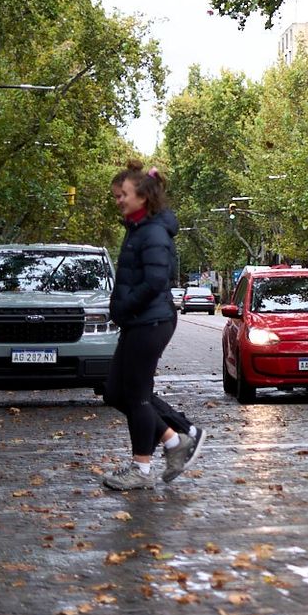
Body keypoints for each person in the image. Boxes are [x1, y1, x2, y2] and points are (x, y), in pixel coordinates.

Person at [103, 161, 206, 490]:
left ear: (142, 197)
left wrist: (123, 305)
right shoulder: (137, 229)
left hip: (152, 321)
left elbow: (156, 280)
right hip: (138, 321)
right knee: (115, 392)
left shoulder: (153, 232)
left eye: (123, 195)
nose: (118, 200)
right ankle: (175, 440)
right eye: (116, 195)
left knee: (136, 396)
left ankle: (141, 469)